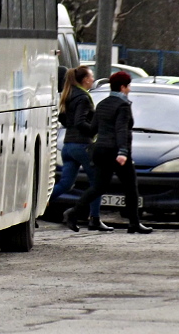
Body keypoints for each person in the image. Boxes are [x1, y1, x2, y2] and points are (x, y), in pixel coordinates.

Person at [63, 71, 152, 234]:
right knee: (131, 187)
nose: (130, 90)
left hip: (100, 151)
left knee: (98, 187)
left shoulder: (103, 104)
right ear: (123, 87)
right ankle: (134, 223)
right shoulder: (123, 106)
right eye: (128, 86)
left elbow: (92, 129)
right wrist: (123, 152)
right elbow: (121, 129)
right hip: (116, 152)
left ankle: (73, 213)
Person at [51, 66, 112, 232]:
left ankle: (37, 208)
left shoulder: (69, 94)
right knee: (97, 183)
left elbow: (64, 118)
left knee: (65, 184)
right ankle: (94, 219)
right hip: (82, 146)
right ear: (84, 80)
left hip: (68, 146)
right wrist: (94, 130)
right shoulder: (84, 98)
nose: (92, 80)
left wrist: (73, 127)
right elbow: (80, 121)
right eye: (91, 77)